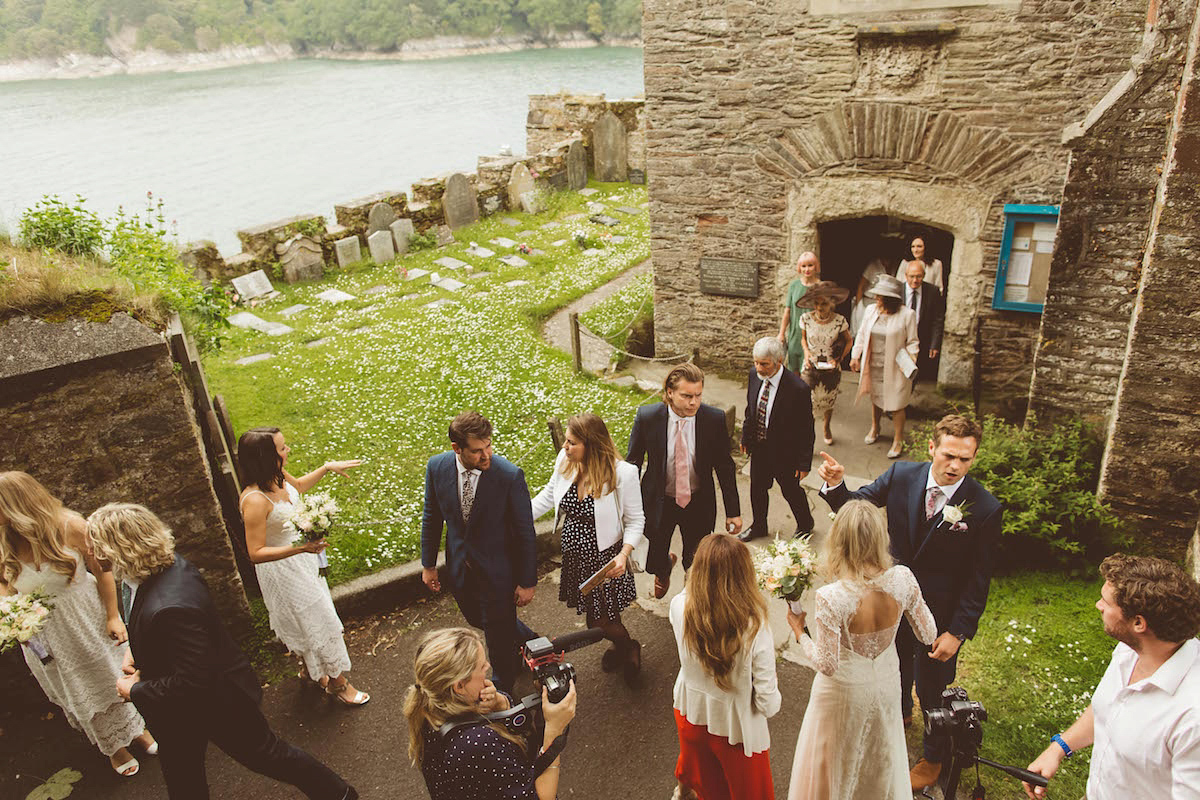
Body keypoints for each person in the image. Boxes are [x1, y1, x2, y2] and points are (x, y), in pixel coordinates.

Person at [86, 503, 357, 800]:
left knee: (268, 755)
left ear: (118, 550)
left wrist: (135, 691)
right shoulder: (165, 566)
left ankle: (339, 794)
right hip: (176, 710)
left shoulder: (169, 606)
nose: (90, 552)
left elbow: (195, 680)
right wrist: (138, 653)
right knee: (182, 777)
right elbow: (164, 635)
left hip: (217, 702)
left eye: (95, 546)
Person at [817, 414, 1001, 790]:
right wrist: (837, 486)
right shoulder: (901, 476)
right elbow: (856, 508)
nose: (955, 466)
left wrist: (958, 632)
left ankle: (933, 758)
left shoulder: (984, 507)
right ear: (932, 447)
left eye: (965, 459)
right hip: (891, 598)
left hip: (939, 613)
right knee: (895, 665)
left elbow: (977, 580)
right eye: (949, 455)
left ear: (974, 458)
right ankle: (899, 714)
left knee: (933, 686)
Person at [0, 472, 156, 777]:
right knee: (78, 687)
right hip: (43, 632)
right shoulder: (2, 540)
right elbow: (3, 585)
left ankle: (138, 730)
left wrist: (113, 614)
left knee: (109, 676)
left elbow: (104, 570)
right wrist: (9, 611)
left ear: (15, 504)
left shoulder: (70, 525)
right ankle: (114, 748)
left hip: (85, 617)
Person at [785, 500, 937, 799]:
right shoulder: (903, 578)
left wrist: (800, 633)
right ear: (881, 537)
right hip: (886, 682)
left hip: (843, 690)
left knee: (835, 759)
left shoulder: (831, 596)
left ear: (839, 539)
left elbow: (827, 664)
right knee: (880, 753)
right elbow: (928, 633)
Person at [1022, 554, 1200, 800]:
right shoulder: (1132, 649)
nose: (1099, 605)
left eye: (1106, 601)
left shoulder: (1192, 718)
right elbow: (1109, 708)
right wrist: (1059, 747)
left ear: (1139, 623)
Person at [236, 427, 368, 706]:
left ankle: (312, 670)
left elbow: (300, 488)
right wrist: (301, 548)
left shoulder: (278, 476)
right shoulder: (255, 501)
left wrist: (326, 468)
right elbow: (255, 552)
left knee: (313, 618)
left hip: (304, 562)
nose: (288, 452)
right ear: (265, 457)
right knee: (318, 620)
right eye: (282, 449)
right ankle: (338, 684)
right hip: (282, 571)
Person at [421, 411, 538, 694]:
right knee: (478, 619)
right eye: (477, 451)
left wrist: (527, 581)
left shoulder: (509, 476)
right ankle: (532, 643)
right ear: (456, 448)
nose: (487, 455)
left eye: (489, 446)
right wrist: (429, 565)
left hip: (499, 573)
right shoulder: (437, 468)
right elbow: (432, 517)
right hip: (460, 569)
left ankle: (503, 690)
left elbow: (525, 532)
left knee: (497, 639)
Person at [530, 413, 645, 683]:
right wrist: (515, 517)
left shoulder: (623, 474)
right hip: (576, 554)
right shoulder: (566, 461)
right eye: (566, 442)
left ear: (591, 444)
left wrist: (624, 554)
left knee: (601, 620)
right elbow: (549, 495)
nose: (565, 448)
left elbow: (636, 519)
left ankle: (629, 647)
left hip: (606, 559)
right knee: (598, 616)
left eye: (572, 443)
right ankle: (620, 646)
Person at [404, 627, 577, 800]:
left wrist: (500, 703)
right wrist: (555, 730)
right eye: (482, 668)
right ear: (459, 687)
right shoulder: (477, 743)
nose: (488, 666)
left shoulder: (428, 709)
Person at [669, 533, 780, 800]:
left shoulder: (678, 606)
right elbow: (768, 703)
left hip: (691, 716)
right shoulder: (754, 627)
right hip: (736, 730)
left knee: (709, 790)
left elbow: (690, 591)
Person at [627, 363, 742, 599]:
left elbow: (725, 467)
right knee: (653, 557)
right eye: (687, 396)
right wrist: (627, 508)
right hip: (659, 501)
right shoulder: (648, 417)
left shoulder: (714, 419)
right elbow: (632, 465)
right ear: (670, 393)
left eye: (698, 395)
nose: (693, 402)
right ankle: (663, 568)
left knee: (697, 560)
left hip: (698, 501)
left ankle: (691, 601)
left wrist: (733, 511)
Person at [739, 337, 816, 541]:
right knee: (757, 489)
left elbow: (806, 429)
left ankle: (806, 524)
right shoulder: (754, 376)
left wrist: (804, 462)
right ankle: (759, 526)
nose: (758, 368)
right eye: (756, 362)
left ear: (779, 360)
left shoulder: (798, 389)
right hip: (760, 449)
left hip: (786, 453)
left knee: (791, 491)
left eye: (764, 364)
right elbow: (751, 410)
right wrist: (746, 436)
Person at [849, 273, 919, 459]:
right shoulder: (871, 310)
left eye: (880, 296)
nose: (875, 298)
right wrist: (855, 356)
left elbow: (913, 341)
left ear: (890, 299)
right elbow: (862, 334)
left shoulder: (907, 315)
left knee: (896, 404)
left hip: (896, 366)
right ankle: (875, 427)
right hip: (874, 363)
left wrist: (911, 361)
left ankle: (898, 439)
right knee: (875, 396)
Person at [796, 281, 853, 445]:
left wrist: (839, 358)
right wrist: (806, 353)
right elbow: (803, 339)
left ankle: (826, 426)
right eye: (817, 303)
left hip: (831, 368)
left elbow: (849, 341)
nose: (820, 308)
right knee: (807, 401)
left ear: (832, 303)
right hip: (810, 366)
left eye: (824, 303)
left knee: (828, 400)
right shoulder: (806, 319)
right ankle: (808, 432)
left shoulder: (839, 321)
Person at [777, 251, 822, 373]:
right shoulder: (794, 285)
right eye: (803, 266)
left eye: (810, 265)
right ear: (799, 267)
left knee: (808, 372)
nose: (807, 269)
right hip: (795, 334)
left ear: (816, 266)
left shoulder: (821, 287)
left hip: (812, 335)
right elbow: (788, 311)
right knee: (793, 371)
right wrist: (781, 333)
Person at [902, 260, 945, 383]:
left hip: (921, 340)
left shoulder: (933, 292)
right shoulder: (898, 290)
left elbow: (938, 320)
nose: (915, 280)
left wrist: (934, 344)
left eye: (918, 276)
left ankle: (905, 400)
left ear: (924, 276)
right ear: (906, 275)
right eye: (911, 276)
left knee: (914, 375)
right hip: (899, 338)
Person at [850, 254, 888, 337]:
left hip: (882, 304)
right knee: (861, 331)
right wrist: (859, 306)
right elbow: (861, 286)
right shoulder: (874, 265)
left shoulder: (895, 266)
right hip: (867, 302)